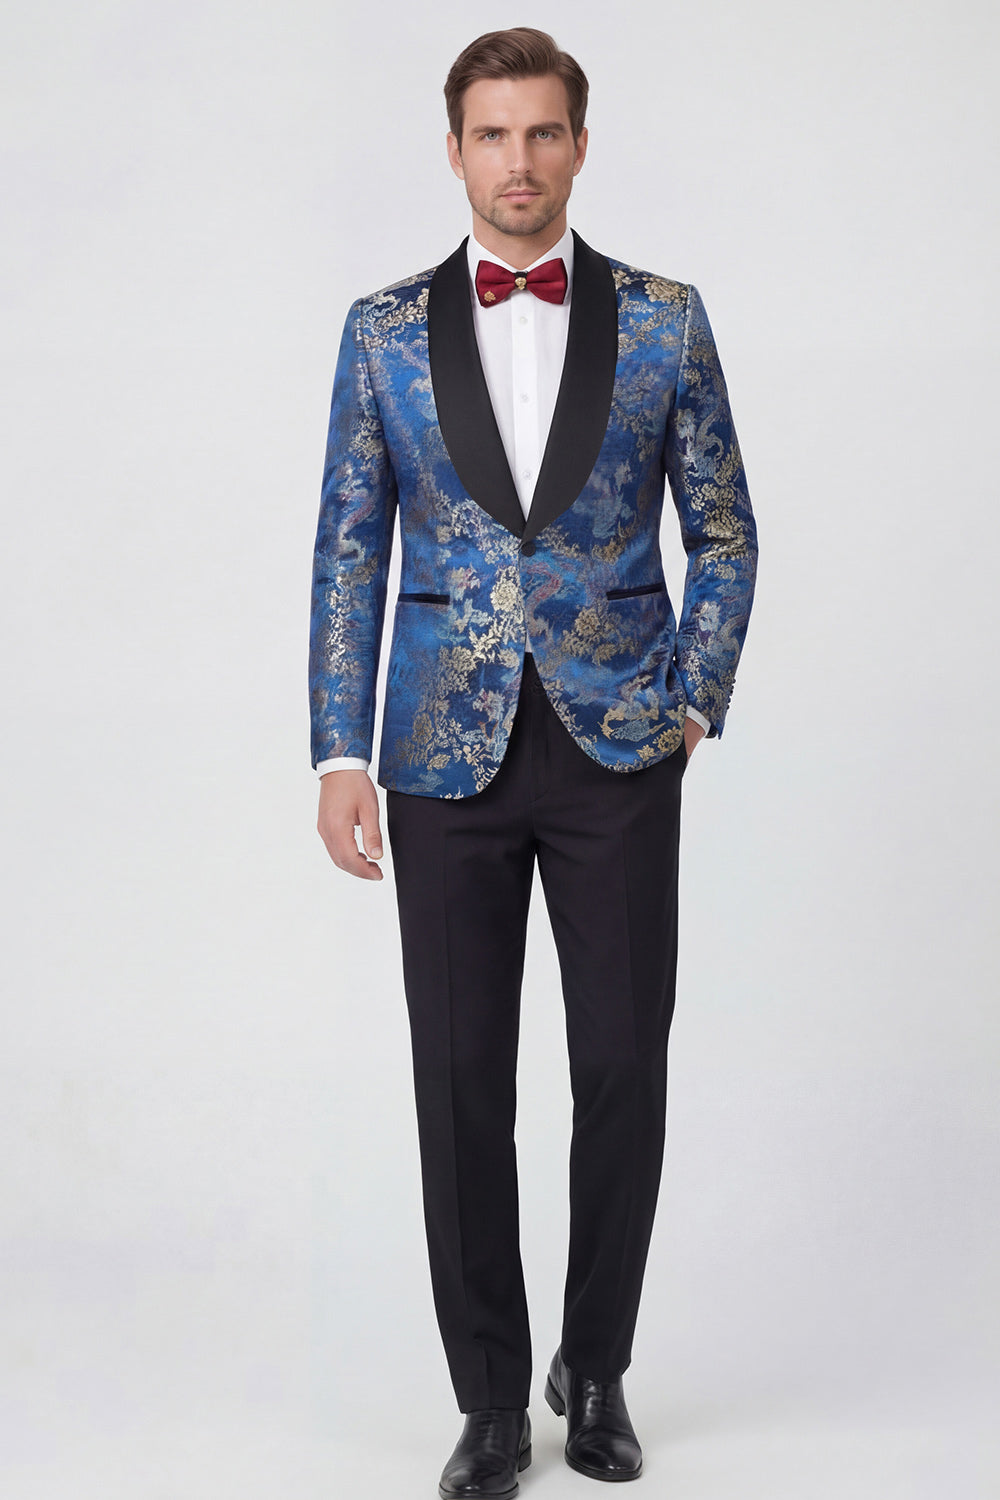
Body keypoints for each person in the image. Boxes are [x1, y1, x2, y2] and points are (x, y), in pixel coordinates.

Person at [309, 26, 757, 1497]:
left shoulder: (667, 320)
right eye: (493, 135)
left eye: (543, 132)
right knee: (459, 1082)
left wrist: (691, 699)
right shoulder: (381, 331)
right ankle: (492, 1400)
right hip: (439, 755)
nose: (519, 162)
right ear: (455, 152)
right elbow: (349, 549)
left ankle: (598, 1365)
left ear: (578, 144)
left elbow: (725, 527)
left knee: (622, 1065)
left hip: (618, 743)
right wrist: (338, 749)